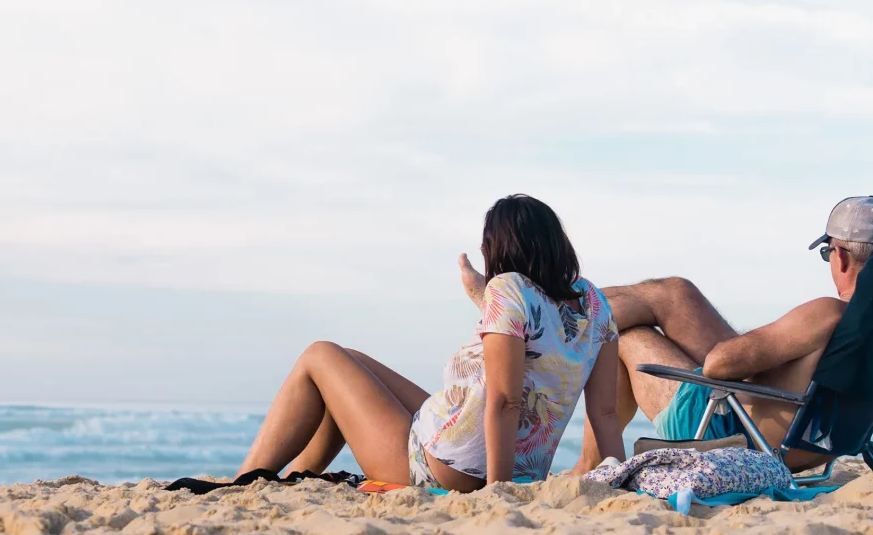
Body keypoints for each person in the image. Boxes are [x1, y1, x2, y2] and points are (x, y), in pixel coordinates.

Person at [236, 194, 622, 492]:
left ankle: (245, 478)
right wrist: (620, 479)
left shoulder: (508, 290)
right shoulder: (594, 303)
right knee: (349, 364)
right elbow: (604, 414)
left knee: (319, 355)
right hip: (501, 459)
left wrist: (498, 491)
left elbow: (506, 402)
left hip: (445, 468)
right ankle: (290, 475)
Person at [566, 195, 873, 473]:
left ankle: (590, 460)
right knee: (674, 293)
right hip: (813, 443)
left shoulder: (829, 313)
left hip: (728, 431)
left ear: (840, 256)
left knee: (624, 336)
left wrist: (758, 344)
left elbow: (719, 366)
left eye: (827, 253)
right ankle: (561, 306)